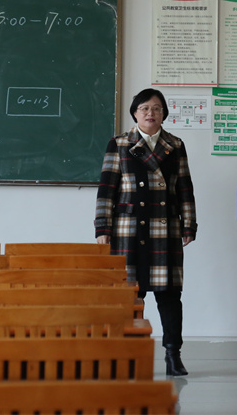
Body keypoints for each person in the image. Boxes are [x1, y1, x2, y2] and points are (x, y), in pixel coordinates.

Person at [94, 88, 196, 377]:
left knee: (170, 296)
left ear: (164, 113)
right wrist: (103, 227)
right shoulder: (119, 144)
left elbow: (184, 188)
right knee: (129, 296)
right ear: (135, 113)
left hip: (165, 227)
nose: (151, 113)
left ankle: (173, 355)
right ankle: (127, 354)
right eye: (145, 108)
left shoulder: (175, 145)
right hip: (128, 228)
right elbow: (107, 189)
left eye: (157, 108)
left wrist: (189, 224)